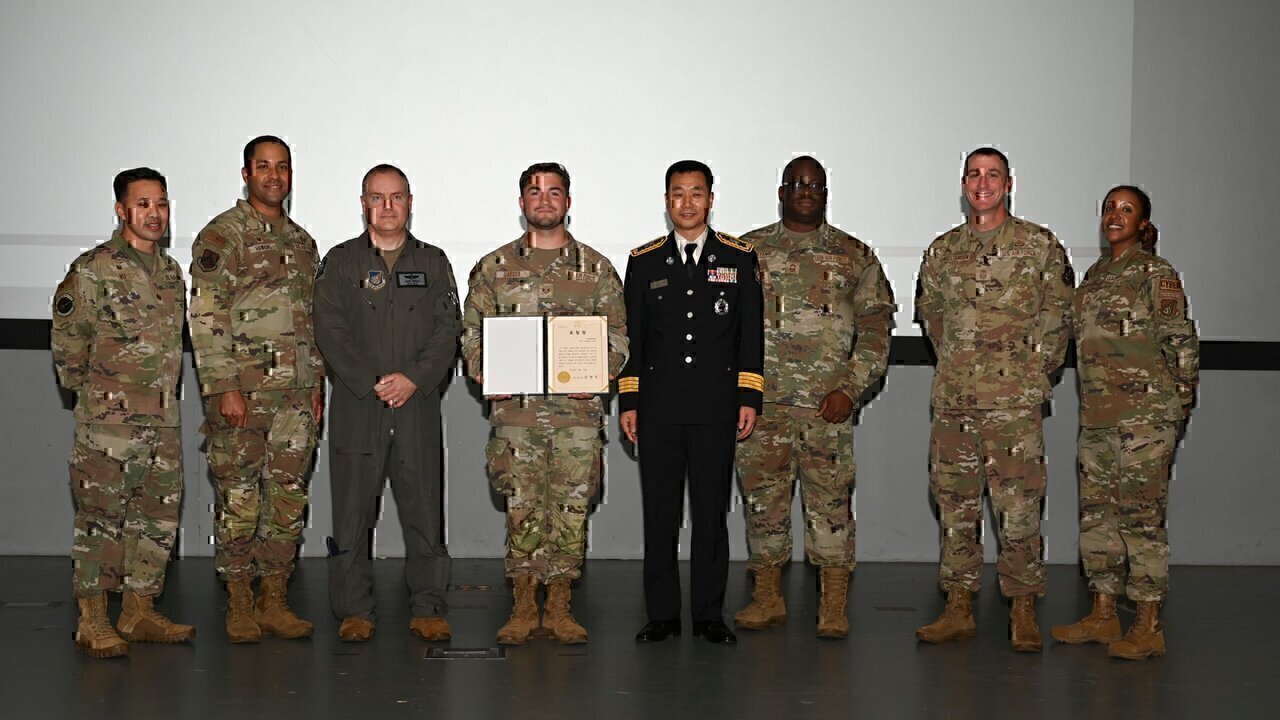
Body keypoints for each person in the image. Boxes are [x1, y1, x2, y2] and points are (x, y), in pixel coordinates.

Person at [461, 162, 628, 645]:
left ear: (568, 202)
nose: (545, 200)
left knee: (571, 510)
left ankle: (559, 604)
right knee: (522, 509)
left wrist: (599, 371)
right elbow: (472, 332)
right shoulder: (493, 268)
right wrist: (483, 368)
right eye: (535, 192)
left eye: (555, 192)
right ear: (522, 203)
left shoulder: (596, 269)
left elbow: (619, 334)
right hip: (516, 415)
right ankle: (522, 603)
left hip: (577, 416)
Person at [914, 147, 1073, 653]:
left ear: (1009, 183)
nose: (982, 183)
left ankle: (1023, 609)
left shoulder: (1039, 246)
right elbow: (932, 318)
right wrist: (962, 366)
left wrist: (1028, 374)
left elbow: (1058, 318)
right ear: (964, 184)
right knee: (955, 506)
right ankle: (958, 607)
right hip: (955, 403)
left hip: (1013, 407)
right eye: (974, 175)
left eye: (993, 175)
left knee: (1019, 509)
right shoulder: (942, 252)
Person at [734, 156, 896, 638]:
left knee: (830, 506)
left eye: (815, 185)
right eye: (797, 183)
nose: (806, 191)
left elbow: (876, 329)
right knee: (763, 504)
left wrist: (851, 387)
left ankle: (833, 605)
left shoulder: (854, 255)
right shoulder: (747, 251)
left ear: (826, 194)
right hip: (761, 407)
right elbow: (723, 324)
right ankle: (767, 598)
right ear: (781, 192)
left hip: (828, 408)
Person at [314, 164, 462, 643]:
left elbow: (448, 329)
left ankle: (429, 606)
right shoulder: (341, 262)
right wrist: (372, 382)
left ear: (410, 202)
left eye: (396, 197)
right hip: (359, 405)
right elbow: (328, 328)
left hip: (417, 405)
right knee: (352, 514)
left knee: (425, 511)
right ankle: (354, 609)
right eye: (377, 198)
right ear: (364, 204)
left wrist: (414, 379)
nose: (387, 206)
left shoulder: (434, 262)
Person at [1051, 185, 1198, 660]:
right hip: (1097, 418)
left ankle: (1149, 625)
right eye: (1109, 208)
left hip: (1145, 421)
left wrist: (1176, 405)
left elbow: (1181, 342)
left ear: (1142, 223)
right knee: (1098, 518)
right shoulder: (1094, 277)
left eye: (1126, 209)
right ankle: (1103, 614)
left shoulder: (1155, 274)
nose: (1115, 215)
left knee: (1141, 520)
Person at [621, 160, 764, 645]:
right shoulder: (644, 261)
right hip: (658, 410)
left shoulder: (739, 259)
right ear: (666, 201)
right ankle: (661, 615)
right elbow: (633, 339)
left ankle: (708, 615)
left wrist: (748, 396)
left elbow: (750, 334)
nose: (687, 203)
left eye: (696, 193)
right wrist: (630, 401)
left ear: (711, 200)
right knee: (660, 517)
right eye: (678, 194)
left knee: (710, 518)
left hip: (715, 409)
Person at [52, 167, 194, 658]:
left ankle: (138, 610)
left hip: (163, 421)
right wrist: (97, 403)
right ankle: (92, 619)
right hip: (108, 426)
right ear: (121, 210)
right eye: (143, 204)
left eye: (161, 203)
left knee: (157, 519)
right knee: (101, 522)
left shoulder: (172, 274)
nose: (154, 214)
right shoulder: (93, 269)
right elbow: (69, 346)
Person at [190, 135, 325, 643]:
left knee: (288, 499)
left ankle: (274, 598)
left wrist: (316, 381)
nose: (274, 175)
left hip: (295, 397)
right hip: (242, 395)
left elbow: (312, 321)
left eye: (282, 167)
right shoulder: (223, 235)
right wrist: (224, 386)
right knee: (240, 499)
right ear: (246, 173)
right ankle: (240, 600)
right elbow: (206, 315)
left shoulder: (303, 243)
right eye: (263, 166)